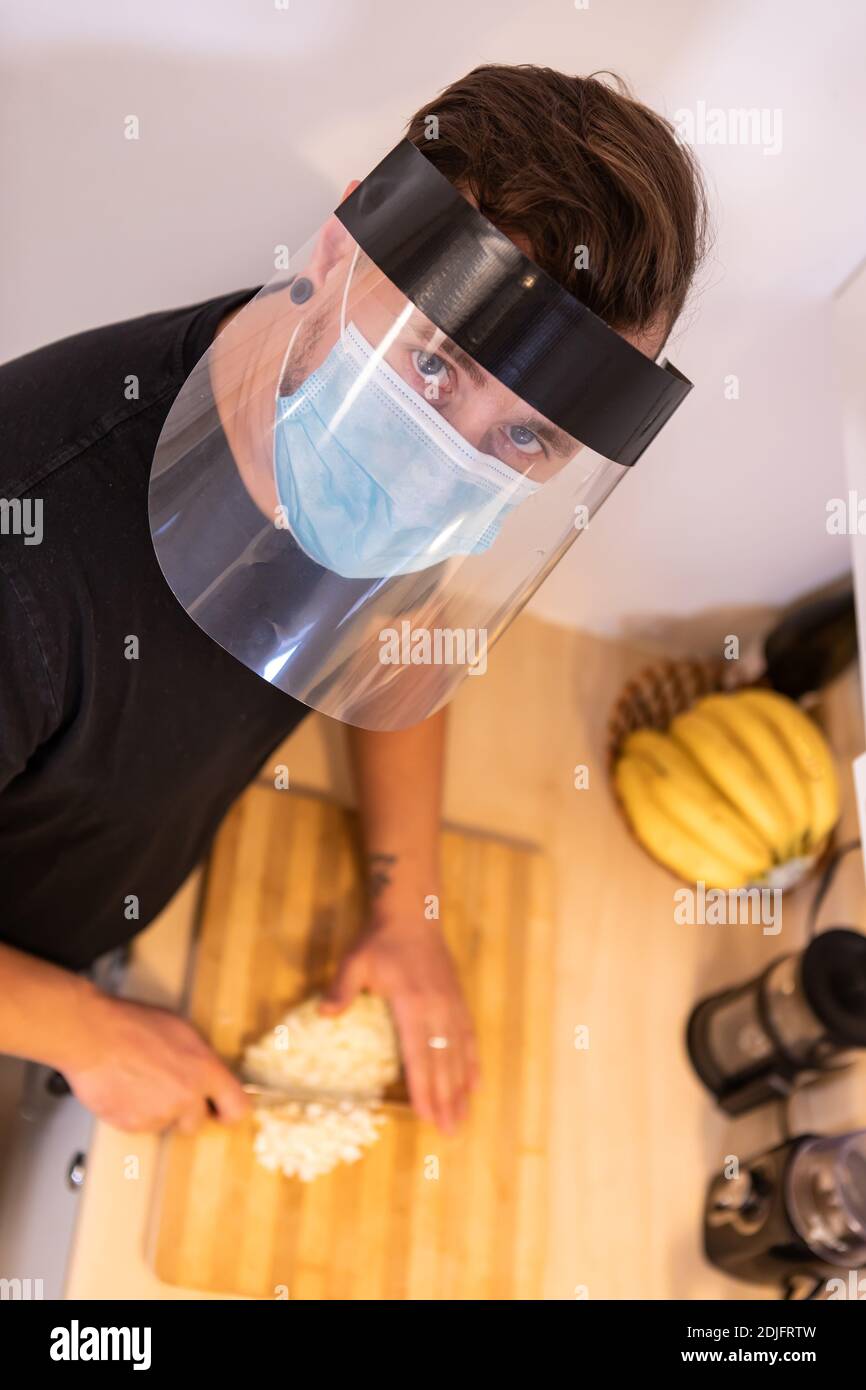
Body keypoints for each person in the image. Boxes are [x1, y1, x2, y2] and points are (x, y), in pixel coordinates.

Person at [0, 65, 707, 1137]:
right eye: (432, 366)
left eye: (524, 437)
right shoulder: (28, 550)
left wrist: (404, 903)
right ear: (338, 245)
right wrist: (79, 1028)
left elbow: (402, 641)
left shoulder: (378, 452)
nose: (440, 471)